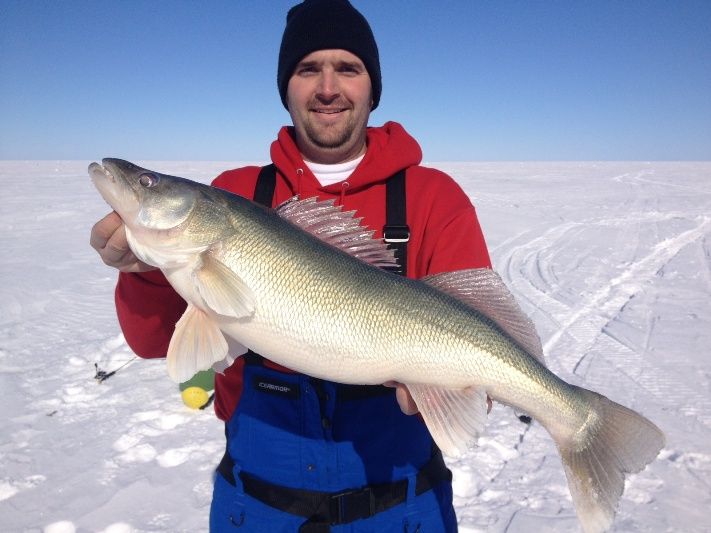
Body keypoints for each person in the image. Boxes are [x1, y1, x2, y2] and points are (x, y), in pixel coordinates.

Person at [90, 0, 491, 531]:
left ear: (372, 86)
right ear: (287, 87)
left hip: (400, 503)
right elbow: (153, 341)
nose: (328, 87)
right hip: (257, 502)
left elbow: (479, 353)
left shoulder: (433, 197)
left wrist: (456, 390)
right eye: (308, 70)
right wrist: (139, 272)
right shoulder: (235, 194)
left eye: (347, 68)